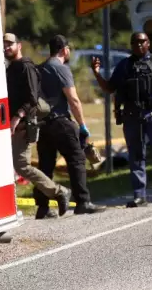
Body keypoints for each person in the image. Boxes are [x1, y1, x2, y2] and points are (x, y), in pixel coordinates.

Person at [91, 32, 152, 207]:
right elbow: (110, 88)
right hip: (133, 117)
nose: (139, 45)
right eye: (135, 42)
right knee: (136, 156)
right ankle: (139, 196)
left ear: (148, 43)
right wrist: (96, 74)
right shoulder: (125, 65)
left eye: (142, 41)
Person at [3, 33, 72, 219]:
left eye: (10, 44)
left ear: (19, 46)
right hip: (11, 124)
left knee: (22, 166)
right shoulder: (11, 68)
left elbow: (32, 99)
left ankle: (60, 192)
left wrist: (17, 117)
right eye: (4, 44)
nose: (6, 47)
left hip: (23, 124)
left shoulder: (26, 67)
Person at [37, 35, 107, 216]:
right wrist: (82, 125)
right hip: (60, 122)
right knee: (77, 159)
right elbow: (73, 100)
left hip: (42, 125)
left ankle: (43, 207)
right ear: (64, 50)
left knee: (45, 166)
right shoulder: (61, 69)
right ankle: (83, 202)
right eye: (68, 49)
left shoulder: (40, 69)